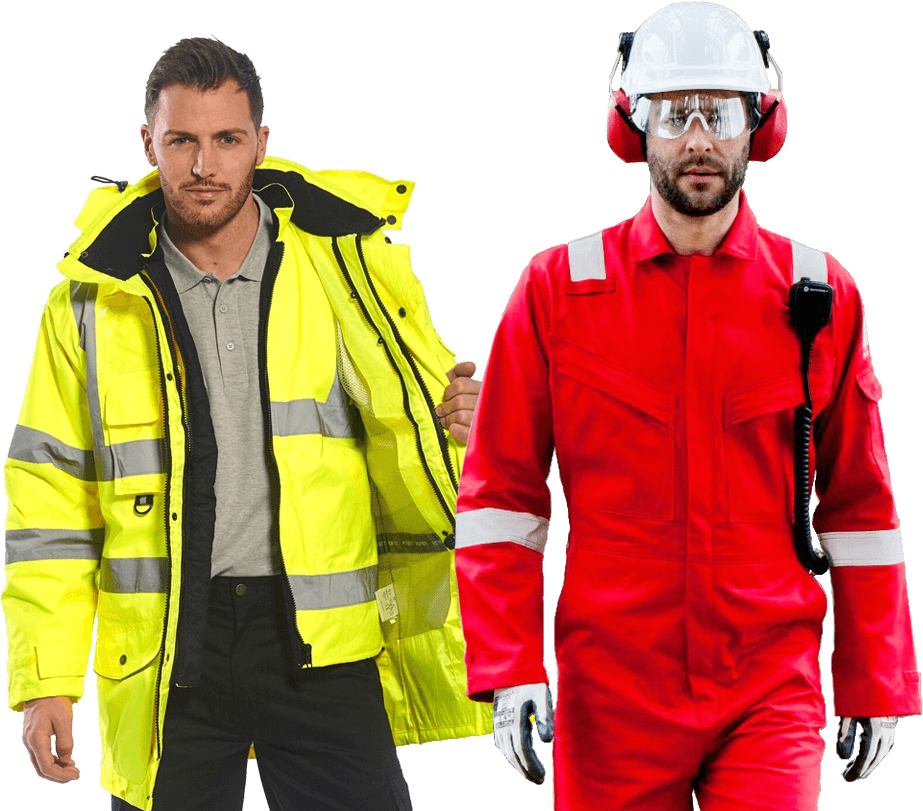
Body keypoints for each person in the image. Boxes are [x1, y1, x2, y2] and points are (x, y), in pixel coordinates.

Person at [3, 36, 492, 810]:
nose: (205, 166)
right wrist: (45, 678)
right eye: (182, 141)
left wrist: (472, 426)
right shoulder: (89, 302)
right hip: (167, 649)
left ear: (262, 142)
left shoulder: (347, 264)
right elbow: (49, 505)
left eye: (227, 139)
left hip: (321, 639)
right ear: (147, 144)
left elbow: (427, 433)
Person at [452, 3, 920, 810]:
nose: (698, 138)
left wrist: (873, 678)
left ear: (758, 126)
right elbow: (501, 497)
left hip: (767, 684)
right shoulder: (557, 290)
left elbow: (858, 504)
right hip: (610, 693)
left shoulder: (819, 293)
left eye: (720, 111)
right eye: (675, 113)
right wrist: (511, 671)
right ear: (632, 124)